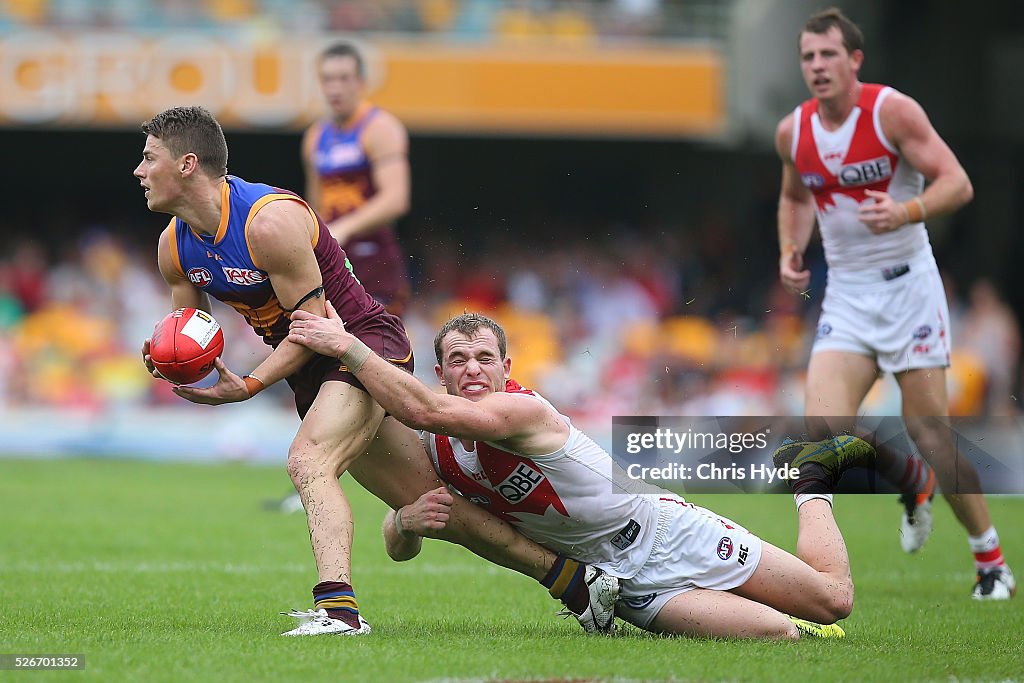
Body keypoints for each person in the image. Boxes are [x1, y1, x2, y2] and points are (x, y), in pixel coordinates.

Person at [134, 105, 618, 637]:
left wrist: (248, 385)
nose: (138, 170)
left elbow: (314, 328)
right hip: (312, 366)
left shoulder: (267, 223)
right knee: (431, 505)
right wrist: (169, 357)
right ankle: (577, 582)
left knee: (308, 461)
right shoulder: (172, 246)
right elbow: (192, 329)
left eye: (148, 157)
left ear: (186, 164)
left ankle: (339, 613)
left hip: (361, 343)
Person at [288, 306, 880, 639]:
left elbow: (423, 407)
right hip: (622, 585)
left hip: (666, 532)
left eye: (485, 359)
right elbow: (401, 546)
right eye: (459, 361)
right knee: (782, 637)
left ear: (507, 367)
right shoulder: (438, 447)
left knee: (834, 603)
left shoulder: (521, 410)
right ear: (441, 370)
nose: (473, 369)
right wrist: (407, 524)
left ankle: (811, 483)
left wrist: (350, 347)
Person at [775, 8, 1014, 599]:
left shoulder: (892, 112)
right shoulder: (794, 132)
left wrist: (904, 211)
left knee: (931, 432)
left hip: (909, 288)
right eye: (808, 57)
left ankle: (992, 562)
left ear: (855, 60)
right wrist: (790, 248)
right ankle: (903, 488)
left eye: (828, 55)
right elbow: (794, 196)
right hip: (849, 296)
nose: (817, 67)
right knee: (820, 434)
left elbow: (957, 181)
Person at [302, 41, 411, 316]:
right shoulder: (315, 137)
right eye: (327, 79)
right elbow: (317, 206)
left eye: (343, 78)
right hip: (334, 258)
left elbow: (396, 200)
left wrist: (345, 228)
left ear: (361, 82)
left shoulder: (380, 128)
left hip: (375, 258)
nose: (334, 88)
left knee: (378, 349)